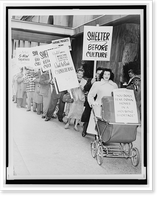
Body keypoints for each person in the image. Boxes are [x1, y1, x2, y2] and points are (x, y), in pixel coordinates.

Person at [87, 68, 118, 135]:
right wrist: (92, 103)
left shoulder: (114, 85)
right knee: (98, 124)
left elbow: (116, 97)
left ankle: (105, 137)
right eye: (105, 74)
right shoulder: (97, 84)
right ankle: (97, 137)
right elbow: (90, 95)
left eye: (108, 74)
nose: (106, 76)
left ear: (111, 75)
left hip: (109, 108)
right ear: (102, 75)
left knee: (107, 124)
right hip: (99, 106)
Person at [81, 67, 103, 137]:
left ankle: (97, 132)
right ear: (96, 73)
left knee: (97, 117)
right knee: (87, 116)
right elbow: (85, 88)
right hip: (90, 101)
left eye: (100, 73)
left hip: (99, 102)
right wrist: (91, 83)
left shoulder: (103, 82)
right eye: (98, 73)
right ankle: (84, 130)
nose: (99, 75)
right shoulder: (91, 80)